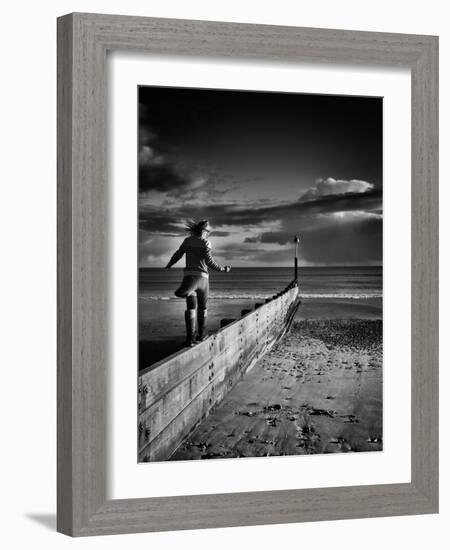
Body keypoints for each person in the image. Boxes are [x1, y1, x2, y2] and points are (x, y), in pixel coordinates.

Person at [165, 220, 231, 346]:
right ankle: (201, 335)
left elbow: (177, 255)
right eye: (208, 231)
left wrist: (169, 264)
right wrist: (224, 269)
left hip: (189, 278)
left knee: (190, 307)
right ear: (203, 231)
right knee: (203, 307)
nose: (208, 234)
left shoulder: (187, 241)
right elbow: (209, 262)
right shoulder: (206, 243)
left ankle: (190, 339)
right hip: (202, 279)